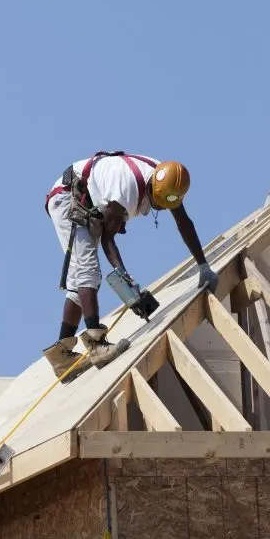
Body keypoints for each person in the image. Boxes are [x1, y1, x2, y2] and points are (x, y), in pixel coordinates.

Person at [41, 151, 218, 382]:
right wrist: (130, 289)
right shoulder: (124, 191)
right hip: (68, 198)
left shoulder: (168, 179)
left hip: (88, 201)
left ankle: (61, 358)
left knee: (79, 281)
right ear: (152, 189)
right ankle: (96, 345)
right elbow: (108, 240)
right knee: (88, 270)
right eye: (158, 204)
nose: (161, 209)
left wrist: (203, 265)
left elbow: (183, 222)